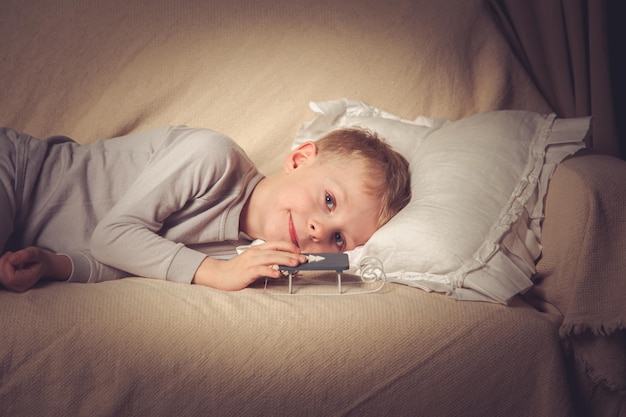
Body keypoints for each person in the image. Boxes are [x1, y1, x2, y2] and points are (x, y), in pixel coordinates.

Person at [0, 125, 410, 292]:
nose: (320, 230)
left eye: (339, 237)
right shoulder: (213, 157)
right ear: (300, 159)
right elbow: (113, 237)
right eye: (328, 200)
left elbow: (130, 261)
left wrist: (56, 266)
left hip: (23, 232)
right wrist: (218, 274)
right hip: (19, 173)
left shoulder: (239, 251)